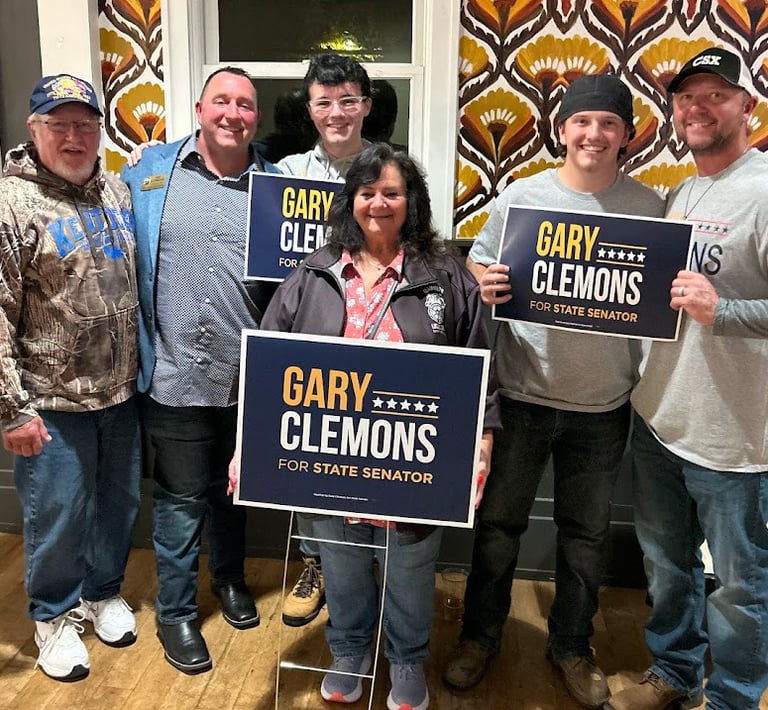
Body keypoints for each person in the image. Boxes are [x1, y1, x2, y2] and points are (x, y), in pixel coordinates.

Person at [240, 142, 497, 709]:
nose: (379, 203)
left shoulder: (447, 275)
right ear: (350, 200)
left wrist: (482, 440)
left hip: (416, 456)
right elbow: (267, 367)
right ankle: (350, 649)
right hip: (327, 455)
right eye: (367, 192)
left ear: (412, 201)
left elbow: (479, 367)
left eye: (392, 193)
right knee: (342, 560)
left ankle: (406, 658)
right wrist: (246, 447)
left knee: (409, 568)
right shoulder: (314, 272)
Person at [442, 74, 666, 709]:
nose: (594, 134)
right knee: (499, 527)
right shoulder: (524, 196)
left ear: (627, 136)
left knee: (586, 536)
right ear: (562, 128)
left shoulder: (651, 208)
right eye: (583, 122)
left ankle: (571, 645)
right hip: (521, 393)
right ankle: (480, 636)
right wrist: (482, 279)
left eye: (609, 123)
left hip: (604, 404)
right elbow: (477, 263)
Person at [606, 47, 768, 710]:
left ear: (747, 106)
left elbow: (717, 307)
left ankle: (732, 698)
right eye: (685, 97)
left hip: (738, 440)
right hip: (661, 419)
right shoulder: (680, 193)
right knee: (667, 566)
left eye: (716, 95)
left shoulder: (764, 189)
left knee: (741, 587)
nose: (698, 108)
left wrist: (722, 311)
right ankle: (675, 672)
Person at [121, 66, 280, 675]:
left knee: (233, 492)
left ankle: (231, 580)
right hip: (175, 372)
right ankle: (176, 612)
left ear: (256, 118)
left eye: (245, 104)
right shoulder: (150, 172)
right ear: (199, 109)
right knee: (181, 501)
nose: (233, 113)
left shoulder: (277, 187)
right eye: (222, 101)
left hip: (249, 377)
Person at [0, 74, 141, 681]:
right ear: (34, 130)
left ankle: (102, 592)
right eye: (59, 125)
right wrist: (12, 408)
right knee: (56, 513)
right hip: (50, 400)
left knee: (117, 504)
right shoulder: (11, 203)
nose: (73, 137)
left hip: (121, 390)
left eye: (85, 124)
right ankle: (53, 615)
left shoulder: (117, 191)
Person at [275, 53, 373, 629]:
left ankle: (362, 568)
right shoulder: (285, 174)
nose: (337, 112)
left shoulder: (390, 169)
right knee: (308, 454)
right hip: (308, 331)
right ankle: (315, 563)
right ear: (310, 110)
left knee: (366, 453)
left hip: (374, 331)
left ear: (365, 105)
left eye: (348, 100)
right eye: (324, 102)